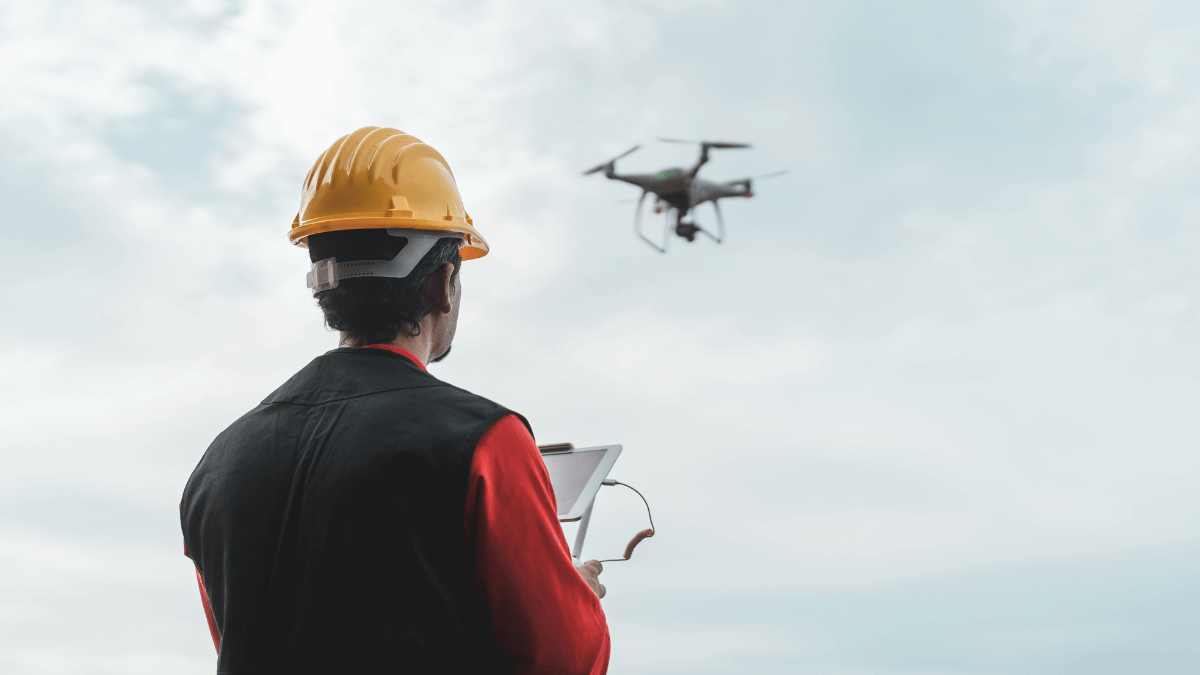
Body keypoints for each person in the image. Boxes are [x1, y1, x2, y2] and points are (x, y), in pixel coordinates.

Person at [180, 127, 610, 674]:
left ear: (324, 287)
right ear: (442, 284)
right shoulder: (484, 440)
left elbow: (244, 638)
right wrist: (578, 598)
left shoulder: (218, 461)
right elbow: (565, 659)